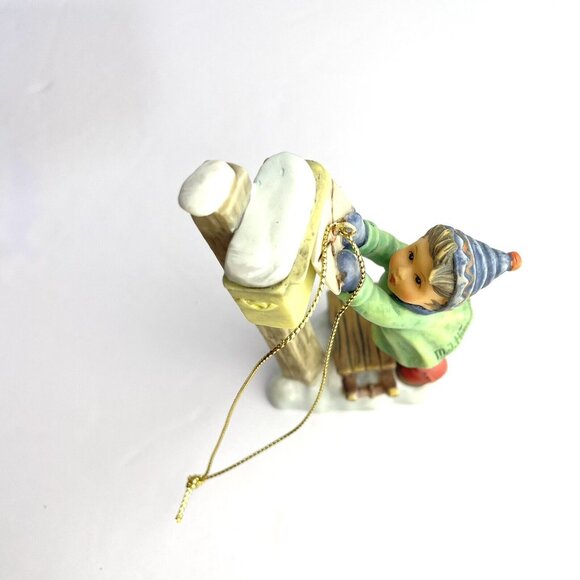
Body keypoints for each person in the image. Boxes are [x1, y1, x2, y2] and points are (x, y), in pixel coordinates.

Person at [336, 213, 521, 386]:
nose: (401, 271)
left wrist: (355, 283)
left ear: (432, 306)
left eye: (418, 280)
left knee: (417, 357)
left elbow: (378, 306)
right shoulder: (416, 263)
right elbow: (388, 247)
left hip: (419, 335)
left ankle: (417, 372)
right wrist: (365, 237)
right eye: (411, 255)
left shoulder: (409, 317)